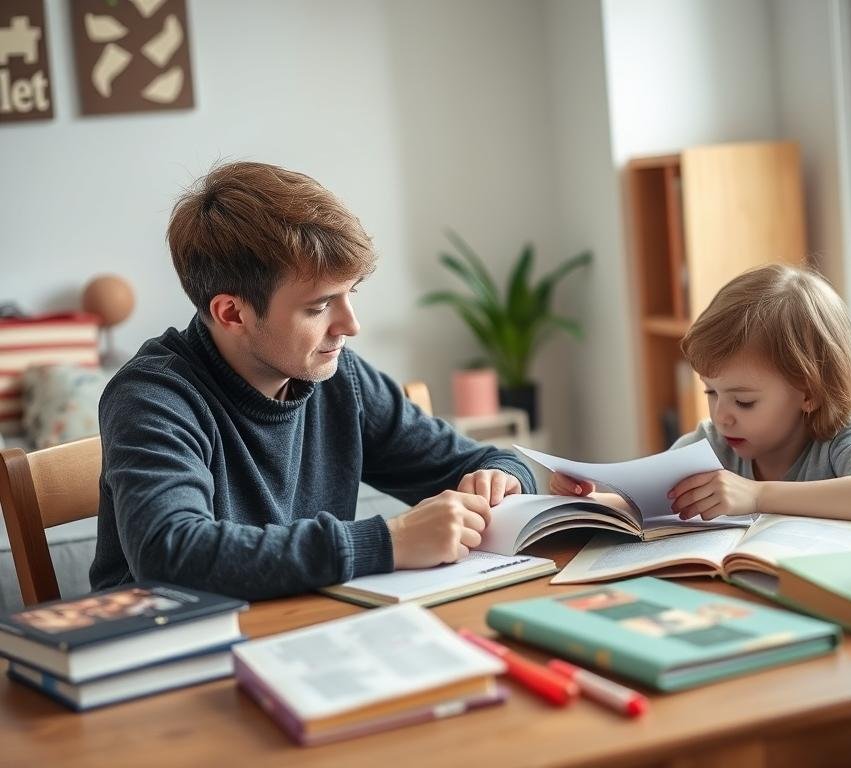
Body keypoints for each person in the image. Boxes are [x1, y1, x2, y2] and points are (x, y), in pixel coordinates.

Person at [90, 161, 536, 600]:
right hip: (172, 639)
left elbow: (482, 461)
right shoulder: (152, 397)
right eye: (319, 306)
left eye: (350, 293)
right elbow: (171, 553)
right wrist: (389, 541)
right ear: (232, 313)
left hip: (308, 624)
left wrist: (502, 478)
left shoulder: (341, 380)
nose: (350, 325)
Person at [551, 265, 851, 525]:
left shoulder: (845, 437)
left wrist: (757, 495)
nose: (721, 415)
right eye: (711, 392)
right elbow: (647, 504)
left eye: (744, 401)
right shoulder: (712, 444)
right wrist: (586, 501)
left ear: (810, 393)